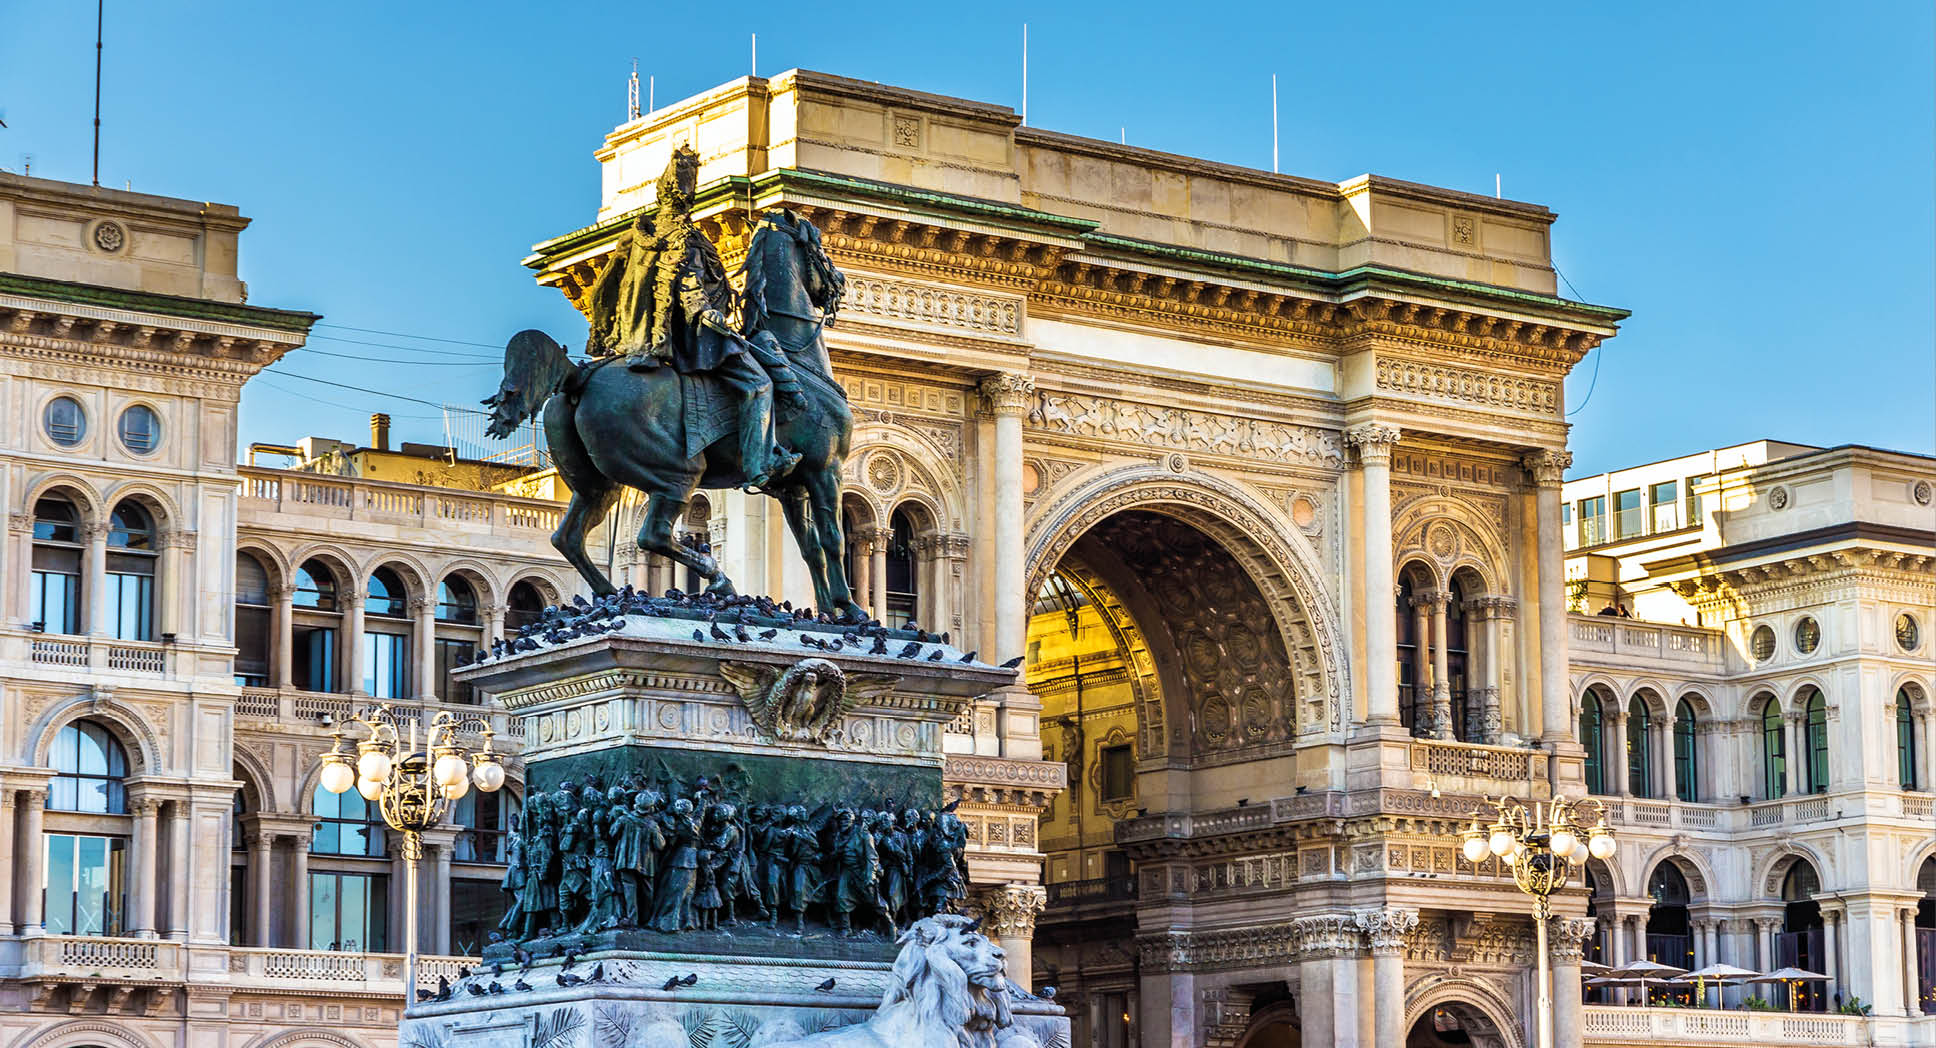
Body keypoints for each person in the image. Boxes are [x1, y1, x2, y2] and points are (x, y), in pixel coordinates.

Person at [584, 144, 801, 489]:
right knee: (758, 385)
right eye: (688, 193)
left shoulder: (640, 234)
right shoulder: (681, 237)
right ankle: (760, 464)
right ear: (686, 197)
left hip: (648, 337)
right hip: (693, 338)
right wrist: (707, 313)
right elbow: (685, 281)